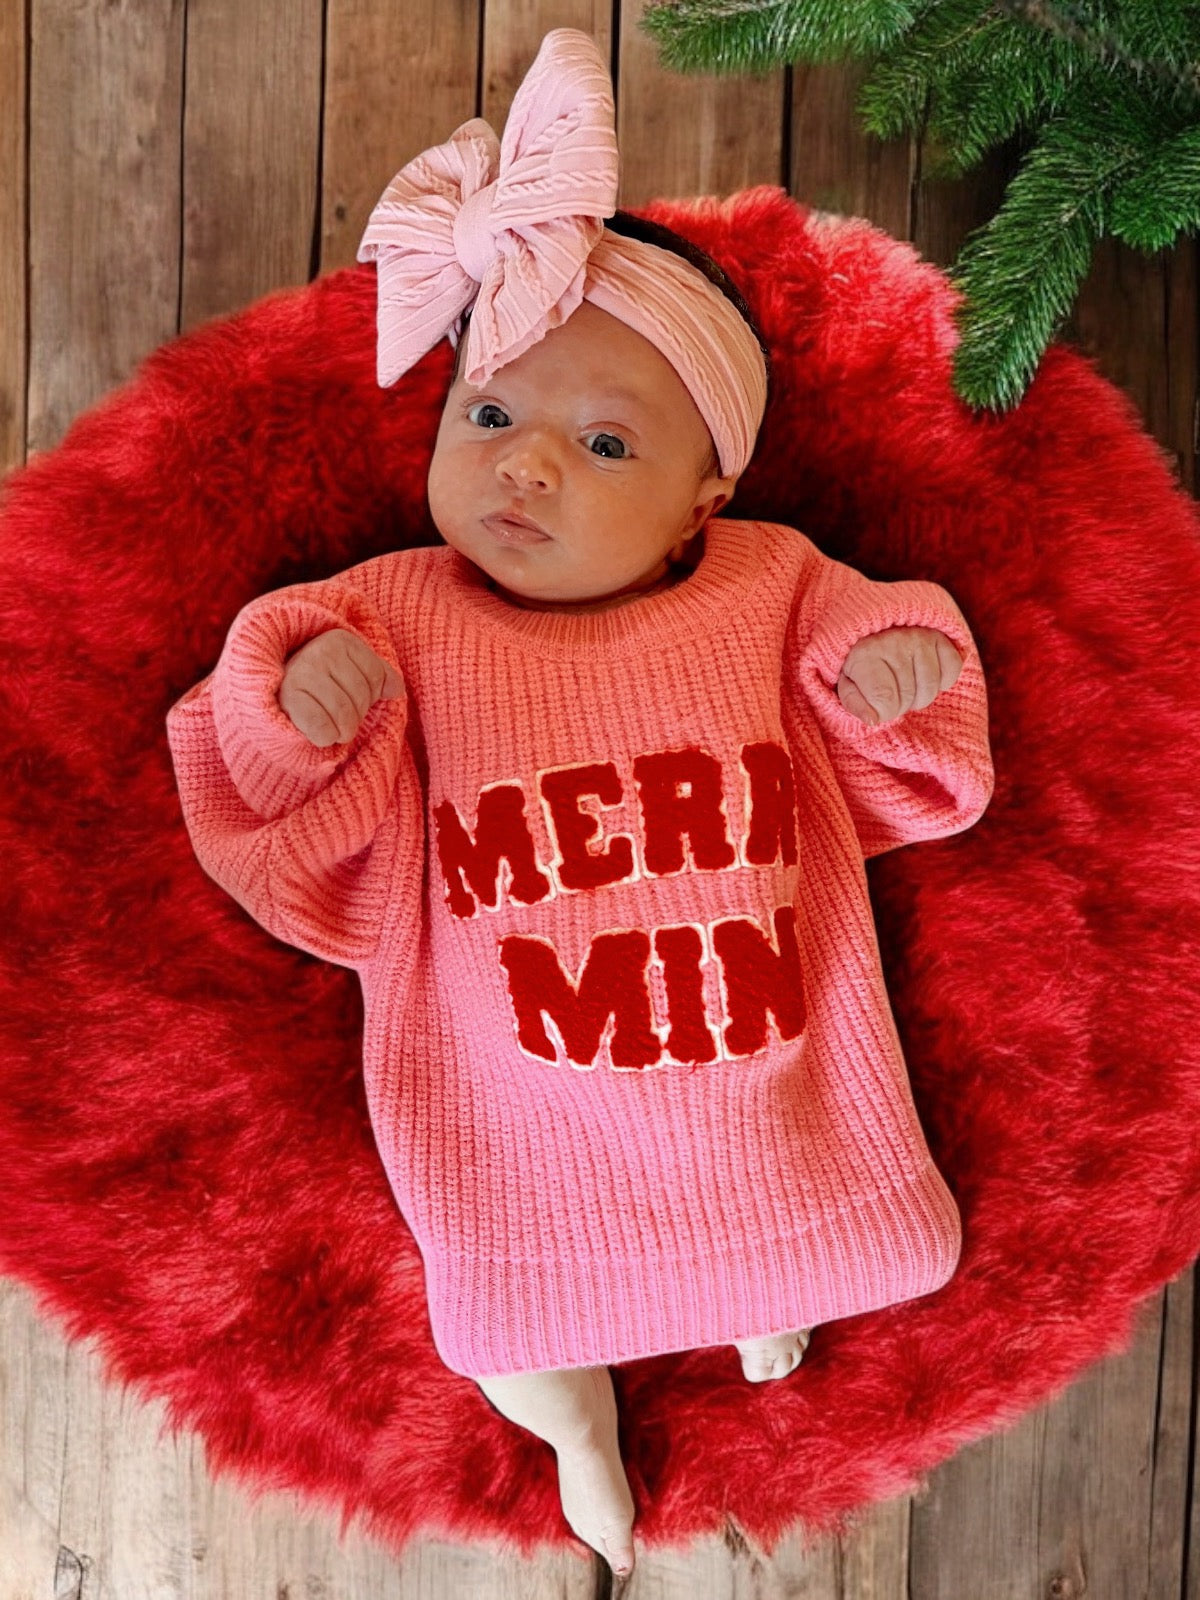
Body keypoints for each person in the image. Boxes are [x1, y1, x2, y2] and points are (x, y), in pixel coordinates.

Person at [165, 29, 994, 1584]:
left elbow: (905, 698)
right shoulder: (397, 610)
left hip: (759, 1063)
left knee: (794, 1214)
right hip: (510, 1105)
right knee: (507, 1321)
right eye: (488, 419)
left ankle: (764, 1294)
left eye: (603, 444)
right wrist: (296, 705)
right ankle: (577, 1432)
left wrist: (893, 672)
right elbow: (264, 786)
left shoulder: (766, 585)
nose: (525, 469)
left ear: (707, 496)